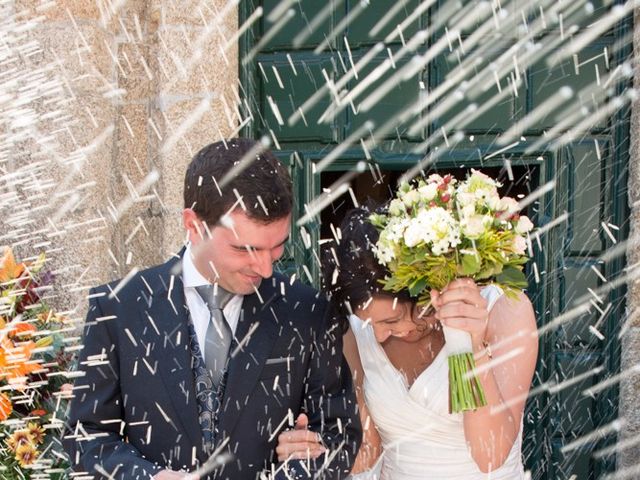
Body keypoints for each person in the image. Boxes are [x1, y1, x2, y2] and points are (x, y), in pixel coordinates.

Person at [63, 139, 362, 480]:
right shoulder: (117, 307)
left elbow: (339, 437)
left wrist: (301, 467)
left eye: (276, 247)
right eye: (244, 248)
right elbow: (86, 437)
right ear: (193, 225)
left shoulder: (308, 311)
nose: (264, 268)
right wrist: (149, 477)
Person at [276, 208, 538, 479]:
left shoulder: (504, 309)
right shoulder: (353, 334)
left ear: (424, 289)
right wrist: (314, 451)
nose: (378, 336)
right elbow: (368, 451)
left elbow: (490, 455)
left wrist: (469, 346)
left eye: (393, 320)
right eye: (369, 323)